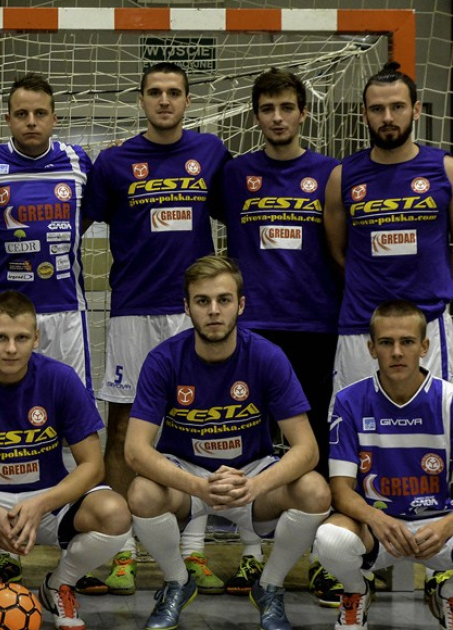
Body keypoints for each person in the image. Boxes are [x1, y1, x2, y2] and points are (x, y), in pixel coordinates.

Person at [83, 62, 232, 596]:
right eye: (154, 93)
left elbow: (239, 216)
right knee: (122, 431)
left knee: (193, 430)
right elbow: (74, 223)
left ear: (187, 101)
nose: (164, 101)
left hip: (190, 311)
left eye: (173, 93)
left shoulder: (211, 154)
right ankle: (120, 550)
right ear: (140, 99)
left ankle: (191, 553)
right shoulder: (113, 163)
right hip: (129, 312)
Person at [124, 255, 331, 630]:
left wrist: (255, 485)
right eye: (202, 301)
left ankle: (269, 586)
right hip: (187, 477)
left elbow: (308, 449)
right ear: (187, 307)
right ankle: (177, 581)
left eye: (224, 299)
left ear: (241, 304)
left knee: (315, 490)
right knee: (141, 493)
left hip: (250, 477)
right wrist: (199, 486)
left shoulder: (267, 356)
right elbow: (135, 451)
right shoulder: (163, 360)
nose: (214, 311)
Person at [313, 300, 453, 630]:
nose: (397, 352)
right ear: (371, 348)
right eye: (386, 342)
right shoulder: (349, 401)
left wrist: (447, 526)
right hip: (378, 529)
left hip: (436, 528)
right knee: (329, 541)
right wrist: (375, 518)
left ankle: (450, 594)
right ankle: (357, 592)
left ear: (424, 346)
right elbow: (340, 491)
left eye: (407, 342)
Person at [220, 68, 343, 603]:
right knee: (247, 445)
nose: (277, 117)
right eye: (267, 108)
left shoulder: (331, 174)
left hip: (315, 327)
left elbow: (342, 251)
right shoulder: (234, 174)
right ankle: (250, 554)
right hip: (251, 331)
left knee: (311, 444)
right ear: (256, 116)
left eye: (286, 107)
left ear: (302, 112)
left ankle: (321, 558)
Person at [0, 291, 131, 630]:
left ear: (37, 338)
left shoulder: (60, 379)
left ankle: (59, 584)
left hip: (48, 499)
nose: (11, 348)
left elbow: (93, 465)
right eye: (1, 337)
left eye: (21, 338)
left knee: (115, 512)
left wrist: (41, 503)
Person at [324, 62, 453, 393]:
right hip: (360, 324)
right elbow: (338, 253)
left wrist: (432, 290)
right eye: (378, 109)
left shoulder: (449, 171)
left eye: (397, 107)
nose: (388, 118)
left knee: (430, 429)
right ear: (364, 115)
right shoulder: (342, 176)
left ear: (416, 110)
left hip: (426, 326)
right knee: (358, 431)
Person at [0, 73, 94, 389]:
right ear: (7, 119)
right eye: (21, 114)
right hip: (4, 313)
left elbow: (86, 216)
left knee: (73, 410)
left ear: (54, 119)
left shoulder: (78, 160)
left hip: (65, 308)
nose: (31, 122)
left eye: (40, 114)